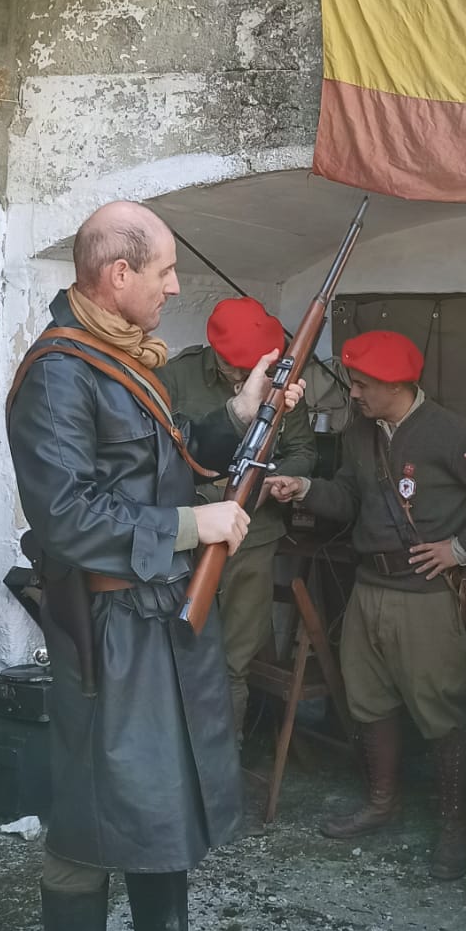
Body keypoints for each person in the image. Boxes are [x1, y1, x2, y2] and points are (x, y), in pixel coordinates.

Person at [6, 201, 305, 931]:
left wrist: (243, 409)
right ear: (116, 276)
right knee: (95, 815)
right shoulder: (58, 375)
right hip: (107, 629)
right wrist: (190, 524)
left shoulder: (123, 359)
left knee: (161, 802)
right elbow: (65, 518)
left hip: (161, 620)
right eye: (165, 271)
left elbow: (166, 459)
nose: (177, 287)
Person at [265, 329, 466, 880]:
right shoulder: (359, 432)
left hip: (426, 596)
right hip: (369, 588)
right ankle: (383, 803)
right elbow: (349, 497)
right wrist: (304, 488)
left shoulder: (450, 433)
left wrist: (458, 549)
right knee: (369, 700)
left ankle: (455, 826)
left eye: (360, 384)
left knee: (441, 707)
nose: (352, 393)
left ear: (393, 384)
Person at [165, 297, 316, 736]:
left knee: (233, 663)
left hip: (254, 536)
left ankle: (221, 771)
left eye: (250, 366)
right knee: (177, 653)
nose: (242, 376)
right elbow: (159, 458)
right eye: (233, 367)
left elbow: (303, 449)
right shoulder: (176, 376)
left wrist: (282, 482)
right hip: (188, 534)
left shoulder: (283, 382)